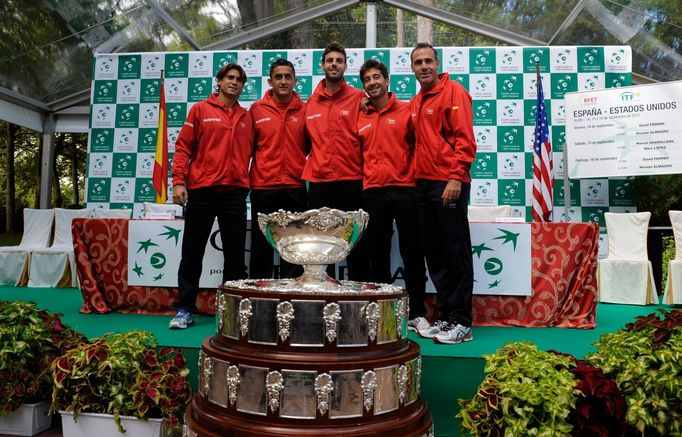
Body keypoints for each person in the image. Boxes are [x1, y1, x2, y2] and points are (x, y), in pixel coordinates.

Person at [169, 63, 252, 329]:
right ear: (219, 81)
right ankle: (185, 309)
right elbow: (183, 148)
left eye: (239, 79)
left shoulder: (247, 117)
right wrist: (178, 182)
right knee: (192, 251)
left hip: (235, 193)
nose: (234, 82)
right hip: (202, 190)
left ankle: (232, 310)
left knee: (235, 256)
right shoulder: (200, 110)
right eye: (230, 77)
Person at [409, 43, 477, 344]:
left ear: (437, 64)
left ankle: (462, 321)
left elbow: (465, 139)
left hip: (447, 183)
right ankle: (447, 317)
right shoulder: (416, 101)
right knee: (435, 255)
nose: (423, 66)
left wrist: (456, 177)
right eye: (418, 62)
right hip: (422, 185)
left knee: (455, 252)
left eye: (428, 61)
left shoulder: (454, 93)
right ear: (412, 68)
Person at [357, 59, 427, 326]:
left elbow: (420, 147)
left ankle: (418, 311)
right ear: (363, 86)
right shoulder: (360, 114)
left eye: (377, 77)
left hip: (405, 190)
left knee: (412, 251)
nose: (372, 83)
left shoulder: (407, 110)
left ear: (387, 81)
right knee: (378, 253)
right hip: (373, 192)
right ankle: (383, 312)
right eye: (367, 80)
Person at [303, 42, 369, 281]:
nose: (334, 64)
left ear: (345, 66)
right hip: (320, 182)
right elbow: (305, 143)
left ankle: (359, 296)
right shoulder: (310, 102)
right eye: (330, 60)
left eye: (339, 61)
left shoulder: (359, 98)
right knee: (321, 243)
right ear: (322, 65)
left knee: (355, 242)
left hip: (352, 179)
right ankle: (321, 295)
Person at [249, 59, 307, 279]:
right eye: (278, 77)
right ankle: (258, 296)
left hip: (295, 187)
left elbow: (311, 145)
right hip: (264, 187)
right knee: (261, 246)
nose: (283, 81)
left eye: (287, 76)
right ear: (270, 81)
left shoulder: (305, 110)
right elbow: (248, 147)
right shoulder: (256, 110)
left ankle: (290, 297)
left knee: (293, 246)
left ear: (295, 81)